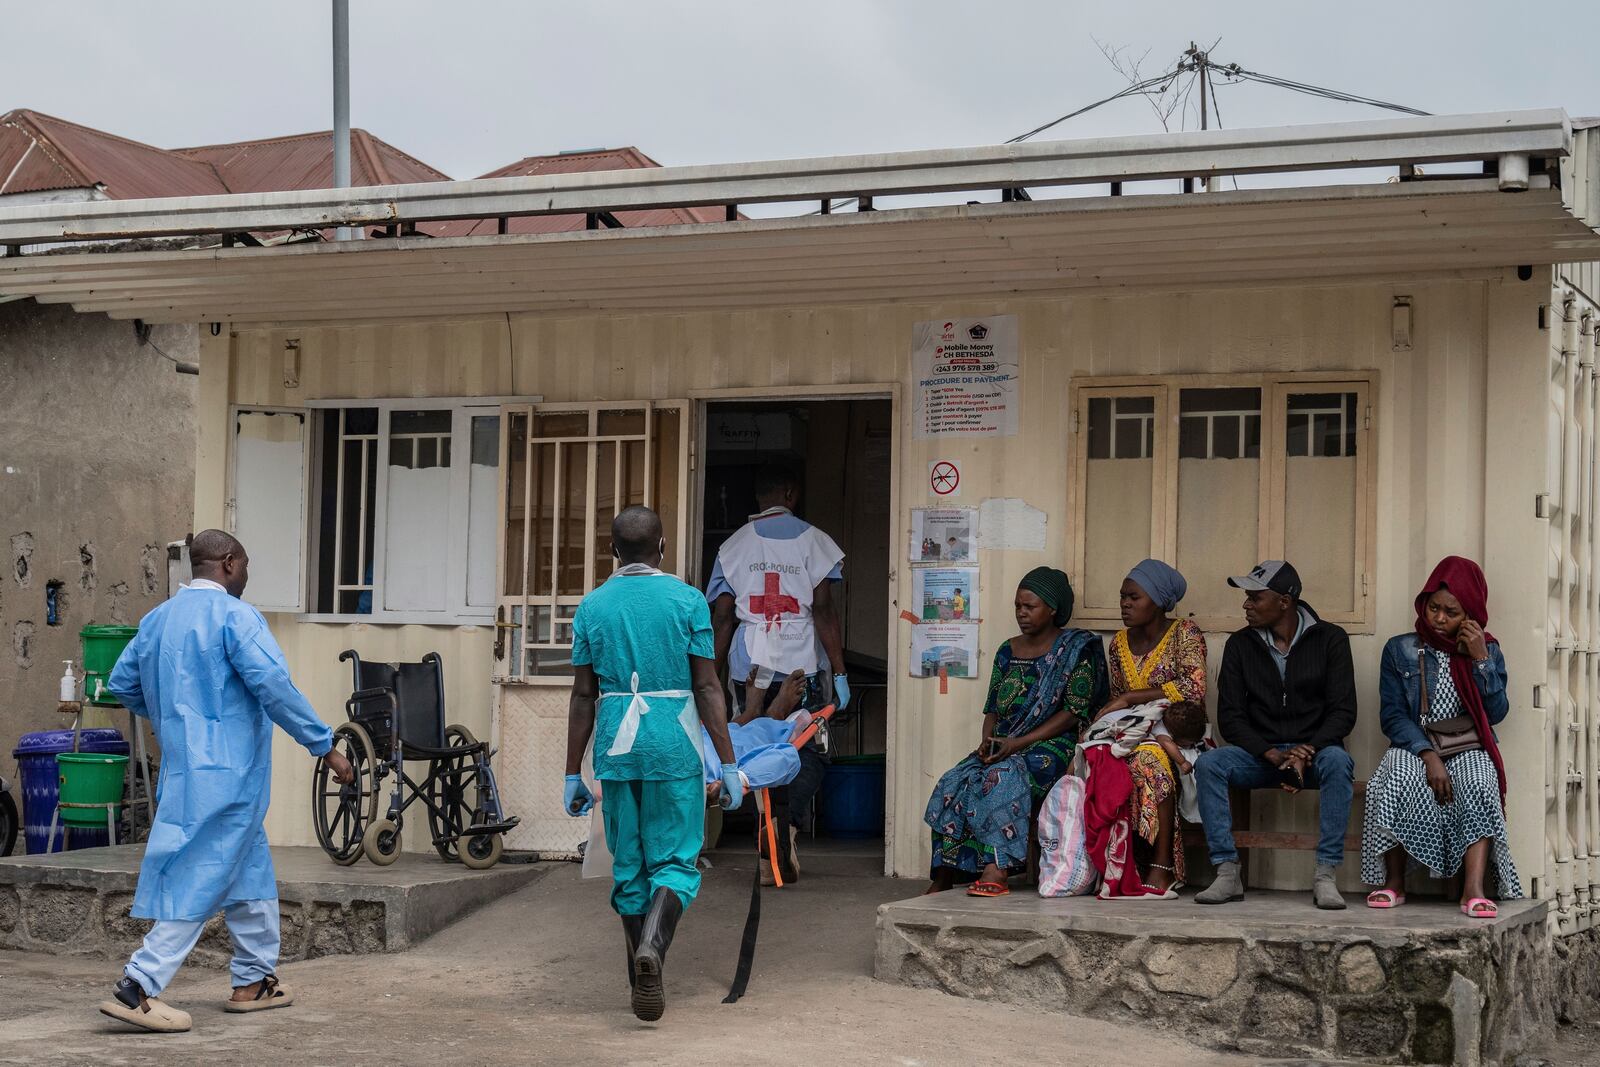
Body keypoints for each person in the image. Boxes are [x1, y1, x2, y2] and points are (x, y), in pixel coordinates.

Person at [97, 530, 354, 1034]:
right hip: (230, 774)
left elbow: (123, 683)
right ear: (230, 563)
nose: (248, 574)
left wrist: (177, 717)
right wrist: (325, 746)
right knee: (200, 874)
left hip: (185, 770)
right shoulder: (237, 618)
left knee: (248, 871)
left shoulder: (156, 620)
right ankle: (138, 984)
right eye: (248, 565)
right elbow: (274, 687)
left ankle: (254, 981)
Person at [565, 506, 740, 1022]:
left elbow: (581, 696)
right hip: (673, 743)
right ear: (662, 548)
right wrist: (728, 764)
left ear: (613, 551)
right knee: (676, 862)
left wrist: (572, 771)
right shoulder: (688, 601)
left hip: (617, 748)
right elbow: (708, 685)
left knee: (629, 865)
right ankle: (654, 953)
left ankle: (639, 974)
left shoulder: (592, 607)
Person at [924, 567, 1109, 897]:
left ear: (1052, 609)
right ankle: (945, 872)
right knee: (955, 780)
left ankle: (997, 869)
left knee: (1003, 775)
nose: (1021, 613)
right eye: (1017, 606)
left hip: (1052, 746)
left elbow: (1072, 714)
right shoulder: (1006, 651)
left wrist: (1016, 744)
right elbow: (992, 709)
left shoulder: (1075, 650)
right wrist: (988, 743)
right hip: (1006, 743)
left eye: (1030, 606)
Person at [708, 463, 849, 885]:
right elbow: (823, 609)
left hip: (748, 663)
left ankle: (768, 833)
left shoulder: (732, 546)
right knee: (808, 748)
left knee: (751, 743)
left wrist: (709, 679)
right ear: (791, 493)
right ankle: (781, 831)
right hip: (799, 662)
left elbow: (722, 616)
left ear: (758, 498)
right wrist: (839, 673)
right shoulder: (816, 542)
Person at [1362, 557, 1521, 917]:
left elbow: (1496, 713)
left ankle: (1474, 890)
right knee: (1396, 778)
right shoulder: (1399, 648)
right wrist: (1427, 755)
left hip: (1468, 745)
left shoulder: (1488, 648)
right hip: (1415, 743)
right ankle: (1394, 882)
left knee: (1481, 782)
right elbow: (1392, 716)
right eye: (1434, 607)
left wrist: (1480, 659)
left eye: (1451, 611)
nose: (1439, 618)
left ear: (1470, 613)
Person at [1194, 561, 1357, 910]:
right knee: (1210, 764)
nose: (1246, 605)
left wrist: (1305, 752)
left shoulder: (1331, 639)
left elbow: (1343, 712)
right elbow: (1231, 718)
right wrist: (1271, 754)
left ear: (1284, 601)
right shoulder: (1240, 645)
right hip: (1261, 756)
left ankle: (1325, 876)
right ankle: (1227, 872)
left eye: (1255, 597)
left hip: (1314, 755)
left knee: (1339, 762)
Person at [1092, 559, 1206, 892]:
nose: (1125, 604)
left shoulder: (1185, 633)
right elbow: (1115, 699)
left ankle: (1162, 864)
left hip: (1179, 734)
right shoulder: (1118, 644)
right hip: (1132, 731)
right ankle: (1119, 863)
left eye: (1134, 597)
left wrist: (1133, 698)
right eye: (1123, 597)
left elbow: (1195, 688)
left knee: (1149, 761)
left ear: (1157, 601)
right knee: (1102, 758)